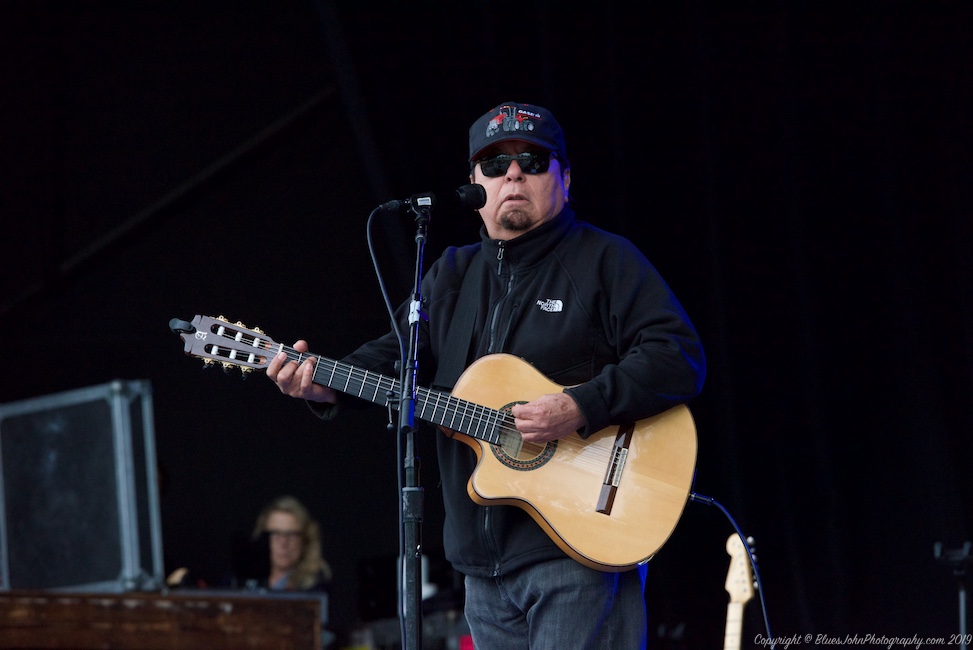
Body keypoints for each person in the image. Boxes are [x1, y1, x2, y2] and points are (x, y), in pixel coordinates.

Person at [267, 101, 705, 649]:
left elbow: (677, 354)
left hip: (577, 548)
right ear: (475, 185)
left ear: (565, 178)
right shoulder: (451, 271)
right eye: (495, 165)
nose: (513, 173)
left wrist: (580, 405)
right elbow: (396, 358)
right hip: (480, 569)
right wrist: (321, 381)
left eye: (533, 160)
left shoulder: (604, 260)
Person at [249, 495, 332, 592]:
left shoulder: (317, 587)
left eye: (292, 534)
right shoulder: (243, 581)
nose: (283, 542)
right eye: (275, 533)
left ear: (305, 540)